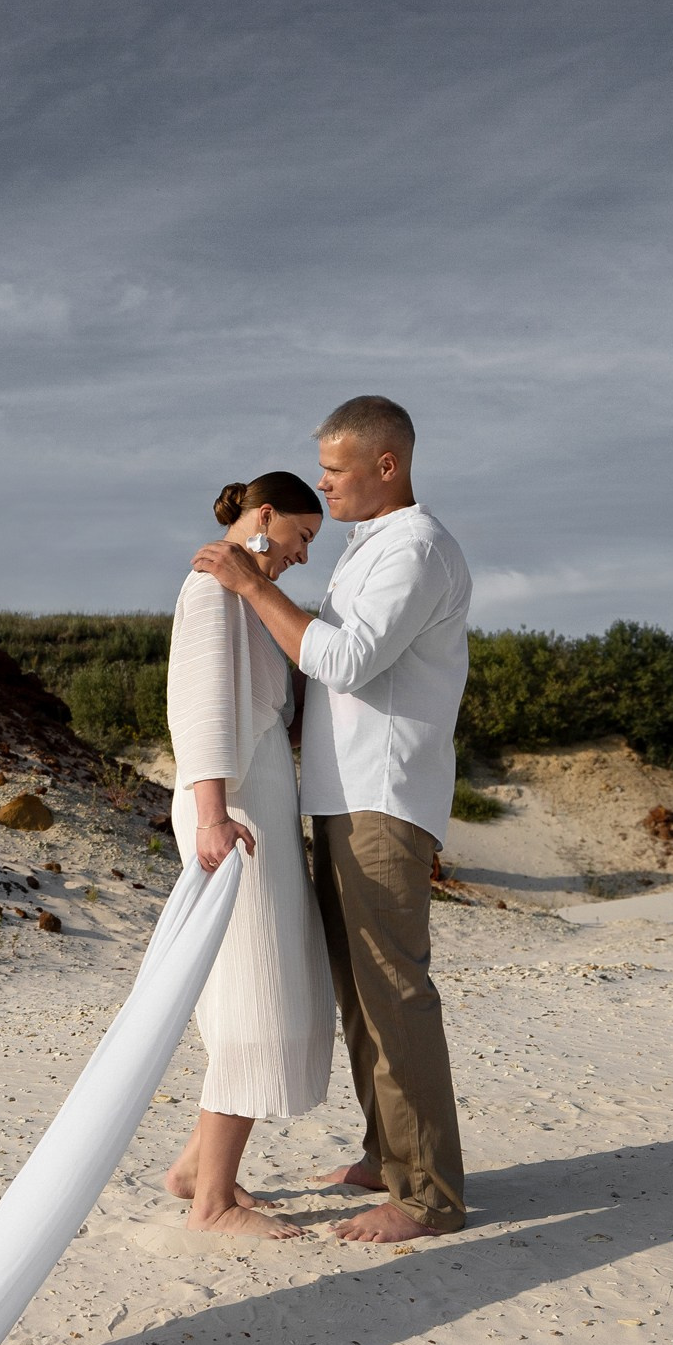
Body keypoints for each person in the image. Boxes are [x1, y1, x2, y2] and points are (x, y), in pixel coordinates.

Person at [192, 395, 472, 1243]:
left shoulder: (416, 548)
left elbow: (345, 660)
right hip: (341, 797)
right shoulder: (367, 550)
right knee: (359, 991)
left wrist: (246, 582)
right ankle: (387, 1154)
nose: (325, 484)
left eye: (337, 471)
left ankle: (427, 1194)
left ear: (387, 466)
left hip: (381, 798)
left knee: (392, 992)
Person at [160, 470, 337, 1239]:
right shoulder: (210, 589)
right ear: (265, 516)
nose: (303, 555)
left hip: (254, 802)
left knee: (267, 986)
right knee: (253, 998)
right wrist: (210, 817)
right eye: (302, 537)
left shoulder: (243, 596)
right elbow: (198, 709)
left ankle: (199, 1167)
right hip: (227, 809)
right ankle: (214, 1203)